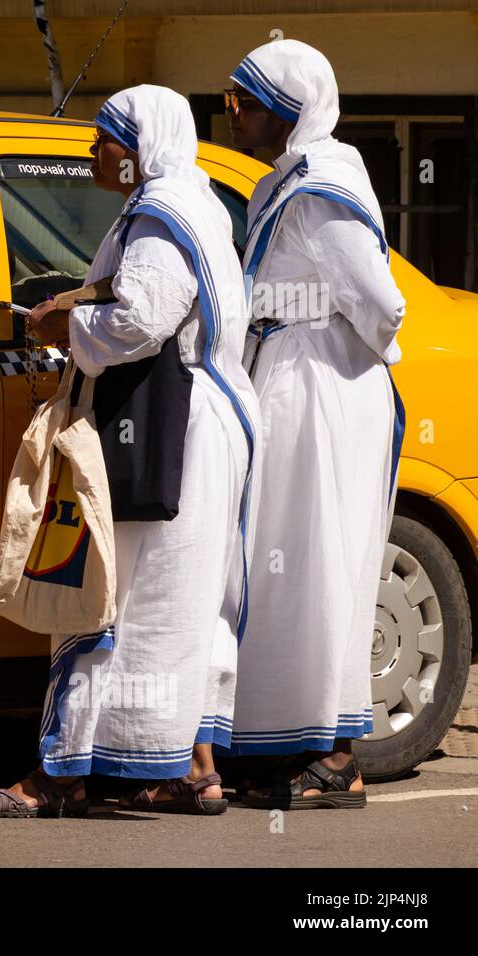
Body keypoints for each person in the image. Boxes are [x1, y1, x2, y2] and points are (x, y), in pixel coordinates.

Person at [0, 85, 259, 817]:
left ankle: (57, 774)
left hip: (165, 430)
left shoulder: (161, 217)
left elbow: (141, 319)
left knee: (100, 595)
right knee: (180, 601)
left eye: (107, 139)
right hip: (197, 428)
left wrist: (60, 333)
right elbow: (137, 298)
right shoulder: (189, 204)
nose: (94, 151)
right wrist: (73, 302)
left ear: (143, 148)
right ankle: (194, 768)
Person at [225, 39, 405, 809]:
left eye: (246, 98)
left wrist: (301, 321)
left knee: (322, 560)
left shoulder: (324, 186)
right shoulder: (283, 182)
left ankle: (336, 756)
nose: (230, 110)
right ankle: (288, 739)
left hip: (326, 391)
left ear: (290, 109)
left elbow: (382, 304)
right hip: (288, 383)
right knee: (284, 564)